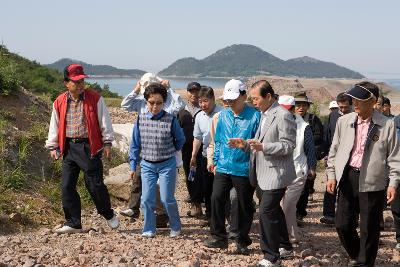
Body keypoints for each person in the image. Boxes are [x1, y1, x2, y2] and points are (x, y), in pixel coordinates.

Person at [326, 81, 400, 266]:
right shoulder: (344, 121)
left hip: (372, 180)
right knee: (342, 224)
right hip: (347, 177)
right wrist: (331, 175)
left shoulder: (387, 125)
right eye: (353, 99)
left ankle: (364, 262)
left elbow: (394, 157)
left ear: (373, 101)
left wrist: (392, 183)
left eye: (359, 99)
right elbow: (333, 150)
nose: (355, 103)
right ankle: (358, 255)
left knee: (369, 228)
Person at [45, 64, 119, 233]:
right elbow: (54, 125)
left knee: (94, 184)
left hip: (88, 147)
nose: (80, 85)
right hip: (69, 148)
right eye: (76, 82)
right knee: (66, 186)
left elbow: (105, 122)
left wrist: (107, 142)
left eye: (82, 81)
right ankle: (73, 222)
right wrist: (53, 146)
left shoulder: (95, 98)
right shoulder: (59, 101)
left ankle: (108, 214)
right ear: (66, 83)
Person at [203, 79, 260, 255]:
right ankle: (219, 237)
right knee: (216, 199)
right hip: (223, 167)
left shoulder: (255, 116)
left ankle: (242, 240)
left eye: (233, 99)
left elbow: (261, 143)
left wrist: (245, 145)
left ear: (244, 96)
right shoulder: (223, 116)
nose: (230, 103)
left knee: (243, 205)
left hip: (243, 168)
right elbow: (218, 140)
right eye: (227, 100)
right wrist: (216, 161)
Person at [120, 73, 185, 227]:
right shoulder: (142, 103)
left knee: (164, 192)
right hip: (146, 152)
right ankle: (144, 217)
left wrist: (170, 89)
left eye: (158, 103)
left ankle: (165, 217)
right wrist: (135, 89)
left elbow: (179, 107)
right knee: (140, 183)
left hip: (166, 155)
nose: (154, 106)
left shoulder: (166, 103)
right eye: (151, 102)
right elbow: (125, 105)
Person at [246, 81, 296, 267]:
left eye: (256, 98)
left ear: (268, 96)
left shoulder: (283, 115)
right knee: (273, 209)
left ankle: (271, 257)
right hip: (263, 172)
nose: (253, 102)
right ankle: (285, 246)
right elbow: (262, 140)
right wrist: (245, 143)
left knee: (266, 211)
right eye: (251, 98)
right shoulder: (264, 114)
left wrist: (264, 147)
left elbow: (289, 145)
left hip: (277, 174)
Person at [278, 95, 317, 246]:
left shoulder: (304, 127)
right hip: (278, 172)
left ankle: (291, 238)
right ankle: (283, 236)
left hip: (297, 172)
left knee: (287, 205)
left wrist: (312, 167)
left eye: (288, 110)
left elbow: (310, 149)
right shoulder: (273, 122)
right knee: (279, 206)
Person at [207, 98, 240, 239]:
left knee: (236, 197)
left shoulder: (250, 117)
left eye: (231, 102)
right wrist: (212, 161)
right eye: (226, 103)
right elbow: (213, 142)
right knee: (219, 197)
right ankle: (223, 230)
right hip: (221, 165)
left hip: (240, 166)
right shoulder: (217, 118)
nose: (229, 105)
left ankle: (237, 229)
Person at [190, 86, 222, 219]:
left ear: (213, 99)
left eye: (206, 101)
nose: (203, 104)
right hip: (205, 156)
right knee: (207, 187)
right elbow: (197, 137)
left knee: (220, 188)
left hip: (221, 157)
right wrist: (193, 156)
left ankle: (223, 214)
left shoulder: (222, 113)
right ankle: (210, 214)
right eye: (200, 101)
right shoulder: (199, 116)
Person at [320, 93, 353, 225]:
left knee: (348, 188)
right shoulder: (333, 116)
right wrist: (326, 154)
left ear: (351, 105)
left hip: (351, 159)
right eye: (341, 107)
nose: (343, 110)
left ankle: (348, 217)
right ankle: (329, 214)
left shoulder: (356, 116)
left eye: (346, 107)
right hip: (335, 156)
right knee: (331, 183)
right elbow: (327, 135)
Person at [294, 91, 325, 221]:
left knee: (304, 188)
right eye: (298, 104)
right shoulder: (288, 119)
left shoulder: (313, 120)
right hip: (292, 159)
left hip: (307, 159)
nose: (301, 107)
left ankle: (300, 213)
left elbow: (319, 138)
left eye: (304, 105)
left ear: (308, 106)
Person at [177, 82, 203, 217]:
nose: (194, 94)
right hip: (186, 150)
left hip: (203, 149)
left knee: (204, 176)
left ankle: (206, 206)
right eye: (191, 91)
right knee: (190, 177)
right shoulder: (182, 112)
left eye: (196, 91)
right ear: (187, 93)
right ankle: (196, 205)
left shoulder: (205, 110)